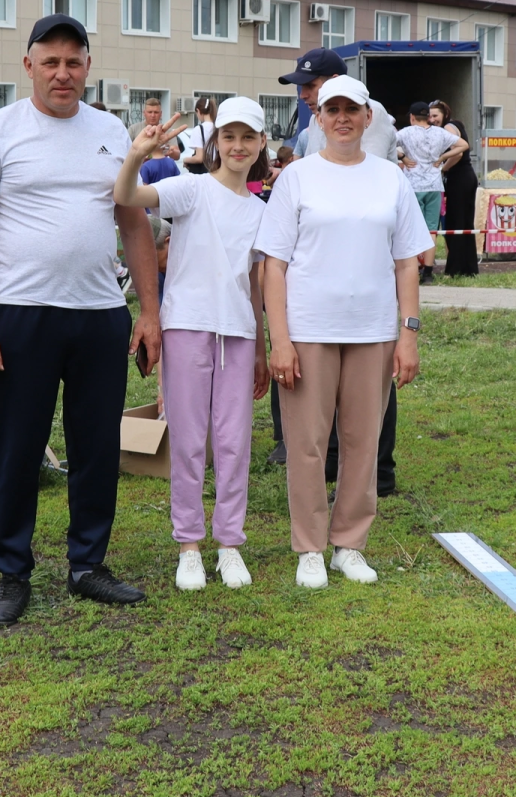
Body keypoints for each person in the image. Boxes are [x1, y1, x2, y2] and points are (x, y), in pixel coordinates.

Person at [0, 13, 163, 625]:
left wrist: (149, 312)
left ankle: (87, 565)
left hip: (100, 314)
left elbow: (134, 224)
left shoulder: (109, 131)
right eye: (51, 62)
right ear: (29, 67)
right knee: (18, 448)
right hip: (22, 314)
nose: (62, 73)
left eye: (74, 62)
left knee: (98, 445)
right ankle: (13, 572)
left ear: (88, 67)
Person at [257, 75, 432, 590]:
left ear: (367, 116)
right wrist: (280, 340)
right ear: (319, 117)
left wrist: (409, 334)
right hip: (309, 328)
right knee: (307, 443)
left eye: (350, 109)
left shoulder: (389, 179)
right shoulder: (296, 178)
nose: (341, 118)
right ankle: (309, 546)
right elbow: (274, 266)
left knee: (364, 440)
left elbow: (406, 264)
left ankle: (349, 543)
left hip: (373, 330)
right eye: (331, 109)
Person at [114, 95, 270, 592]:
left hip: (239, 335)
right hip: (186, 330)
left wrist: (263, 349)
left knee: (233, 441)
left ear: (262, 143)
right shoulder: (192, 190)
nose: (239, 146)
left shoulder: (264, 211)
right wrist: (138, 154)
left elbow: (259, 284)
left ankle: (229, 544)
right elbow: (127, 197)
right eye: (229, 137)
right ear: (215, 142)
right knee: (186, 440)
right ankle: (188, 545)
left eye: (248, 137)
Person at [394, 102, 467, 285]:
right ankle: (428, 272)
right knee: (431, 229)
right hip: (435, 185)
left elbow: (386, 144)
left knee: (410, 229)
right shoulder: (440, 132)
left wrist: (403, 157)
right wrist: (443, 157)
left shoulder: (405, 133)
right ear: (428, 116)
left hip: (413, 185)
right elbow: (463, 145)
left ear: (411, 117)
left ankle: (412, 268)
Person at [438, 107, 481, 278]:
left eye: (435, 115)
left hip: (459, 178)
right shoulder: (457, 125)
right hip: (468, 177)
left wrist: (442, 168)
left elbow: (457, 152)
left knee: (455, 223)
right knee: (465, 224)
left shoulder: (448, 128)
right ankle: (469, 267)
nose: (432, 119)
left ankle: (454, 268)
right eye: (430, 116)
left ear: (444, 115)